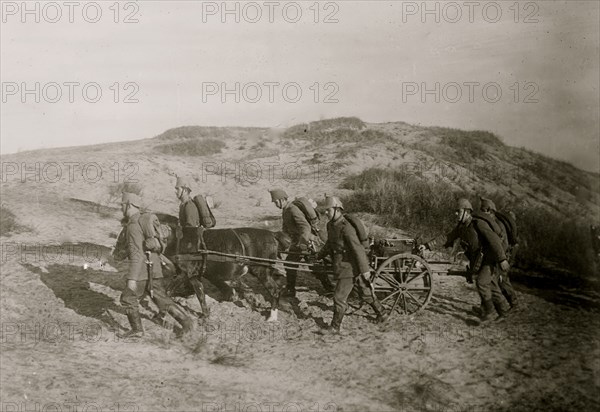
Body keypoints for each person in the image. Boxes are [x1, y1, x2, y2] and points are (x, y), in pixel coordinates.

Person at [117, 192, 193, 339]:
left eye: (122, 205)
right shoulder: (143, 221)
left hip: (142, 272)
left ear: (128, 205)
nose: (121, 209)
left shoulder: (133, 226)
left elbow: (136, 255)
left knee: (127, 298)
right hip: (155, 269)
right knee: (161, 298)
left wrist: (132, 279)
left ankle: (137, 330)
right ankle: (187, 323)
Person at [422, 198, 510, 322]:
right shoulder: (462, 227)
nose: (456, 214)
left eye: (458, 211)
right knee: (491, 285)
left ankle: (489, 312)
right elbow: (447, 237)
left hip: (490, 258)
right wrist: (427, 245)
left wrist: (502, 259)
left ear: (466, 212)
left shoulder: (478, 224)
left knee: (481, 282)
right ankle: (503, 312)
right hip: (479, 259)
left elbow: (494, 240)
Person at [316, 196, 388, 334]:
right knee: (365, 292)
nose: (326, 213)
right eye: (325, 211)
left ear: (337, 210)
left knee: (339, 297)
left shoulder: (346, 228)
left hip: (348, 267)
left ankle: (335, 327)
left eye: (328, 210)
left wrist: (365, 270)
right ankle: (382, 313)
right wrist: (319, 255)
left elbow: (357, 249)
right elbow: (330, 244)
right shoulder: (331, 225)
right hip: (343, 265)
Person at [269, 189, 334, 297]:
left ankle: (330, 288)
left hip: (306, 242)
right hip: (298, 242)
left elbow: (305, 227)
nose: (275, 204)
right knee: (291, 263)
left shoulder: (292, 209)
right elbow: (287, 227)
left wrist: (302, 243)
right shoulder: (286, 210)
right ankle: (291, 289)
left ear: (282, 200)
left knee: (315, 265)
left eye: (276, 202)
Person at [480, 198, 518, 310]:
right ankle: (485, 307)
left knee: (502, 280)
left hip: (503, 257)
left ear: (490, 211)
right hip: (496, 256)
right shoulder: (490, 223)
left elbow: (504, 244)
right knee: (488, 281)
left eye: (483, 210)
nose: (481, 212)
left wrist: (500, 259)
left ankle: (514, 304)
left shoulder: (498, 224)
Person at [175, 176, 201, 253]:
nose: (176, 192)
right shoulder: (183, 205)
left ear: (185, 190)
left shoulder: (189, 206)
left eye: (178, 189)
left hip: (191, 245)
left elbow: (191, 230)